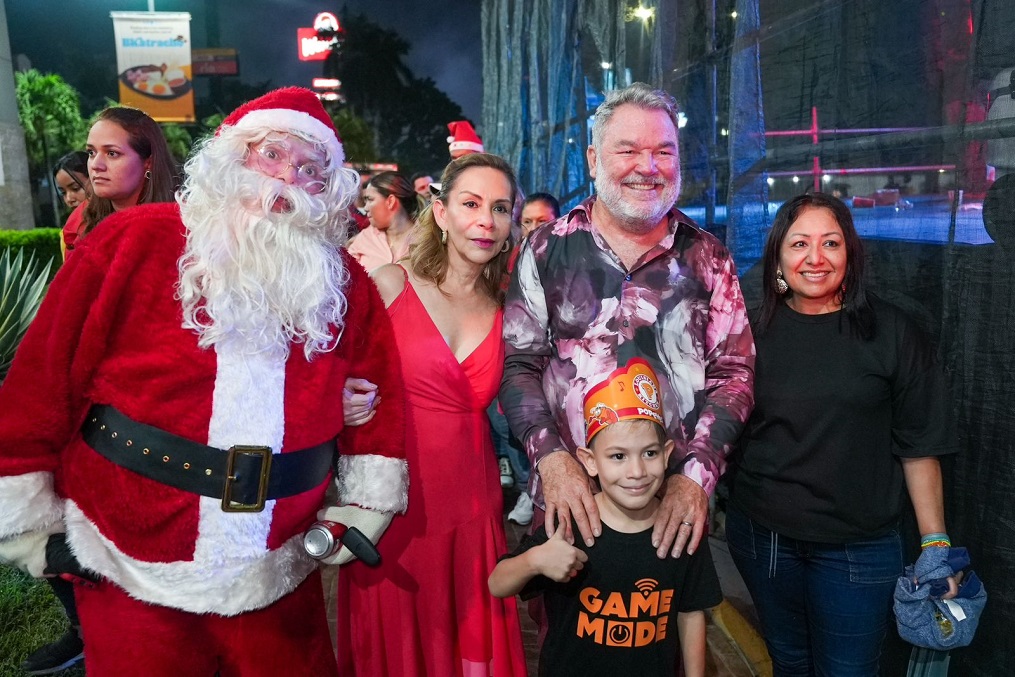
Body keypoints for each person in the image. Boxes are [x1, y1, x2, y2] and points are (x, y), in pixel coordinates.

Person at [0, 87, 408, 675]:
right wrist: (33, 527)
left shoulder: (341, 280)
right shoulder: (132, 240)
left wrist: (363, 508)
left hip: (279, 563)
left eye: (309, 168)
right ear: (233, 157)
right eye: (272, 155)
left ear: (327, 190)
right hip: (130, 555)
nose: (287, 178)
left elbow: (380, 400)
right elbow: (42, 381)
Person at [500, 82, 755, 563]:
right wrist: (552, 461)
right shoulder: (544, 249)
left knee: (676, 633)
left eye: (664, 150)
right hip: (570, 506)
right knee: (567, 636)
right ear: (594, 160)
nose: (648, 166)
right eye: (629, 150)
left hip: (671, 514)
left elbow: (734, 376)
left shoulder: (708, 258)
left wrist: (694, 477)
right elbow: (519, 367)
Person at [725, 192, 958, 676]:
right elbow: (721, 426)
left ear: (850, 253)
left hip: (859, 549)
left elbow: (919, 448)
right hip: (764, 538)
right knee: (789, 664)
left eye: (830, 242)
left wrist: (936, 546)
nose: (815, 257)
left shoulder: (894, 333)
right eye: (800, 244)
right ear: (778, 259)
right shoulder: (745, 333)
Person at [337, 152, 528, 676]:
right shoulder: (389, 285)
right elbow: (331, 376)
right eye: (471, 204)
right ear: (441, 213)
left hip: (472, 506)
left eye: (500, 208)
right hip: (392, 508)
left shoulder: (510, 309)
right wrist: (341, 403)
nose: (485, 220)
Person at [490, 359, 722, 676]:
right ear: (590, 461)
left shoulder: (680, 529)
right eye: (618, 456)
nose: (637, 472)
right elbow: (497, 583)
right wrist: (536, 560)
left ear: (667, 454)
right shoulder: (571, 524)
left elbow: (690, 613)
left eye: (650, 453)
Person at [79, 106, 178, 239]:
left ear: (149, 162)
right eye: (91, 153)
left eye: (112, 153)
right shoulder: (81, 223)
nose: (96, 165)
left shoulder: (184, 226)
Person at [347, 170, 422, 272]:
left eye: (370, 199)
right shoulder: (362, 240)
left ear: (390, 201)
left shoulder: (427, 239)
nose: (366, 208)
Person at [52, 151, 92, 258]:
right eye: (63, 193)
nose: (69, 199)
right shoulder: (66, 235)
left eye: (75, 188)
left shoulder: (120, 217)